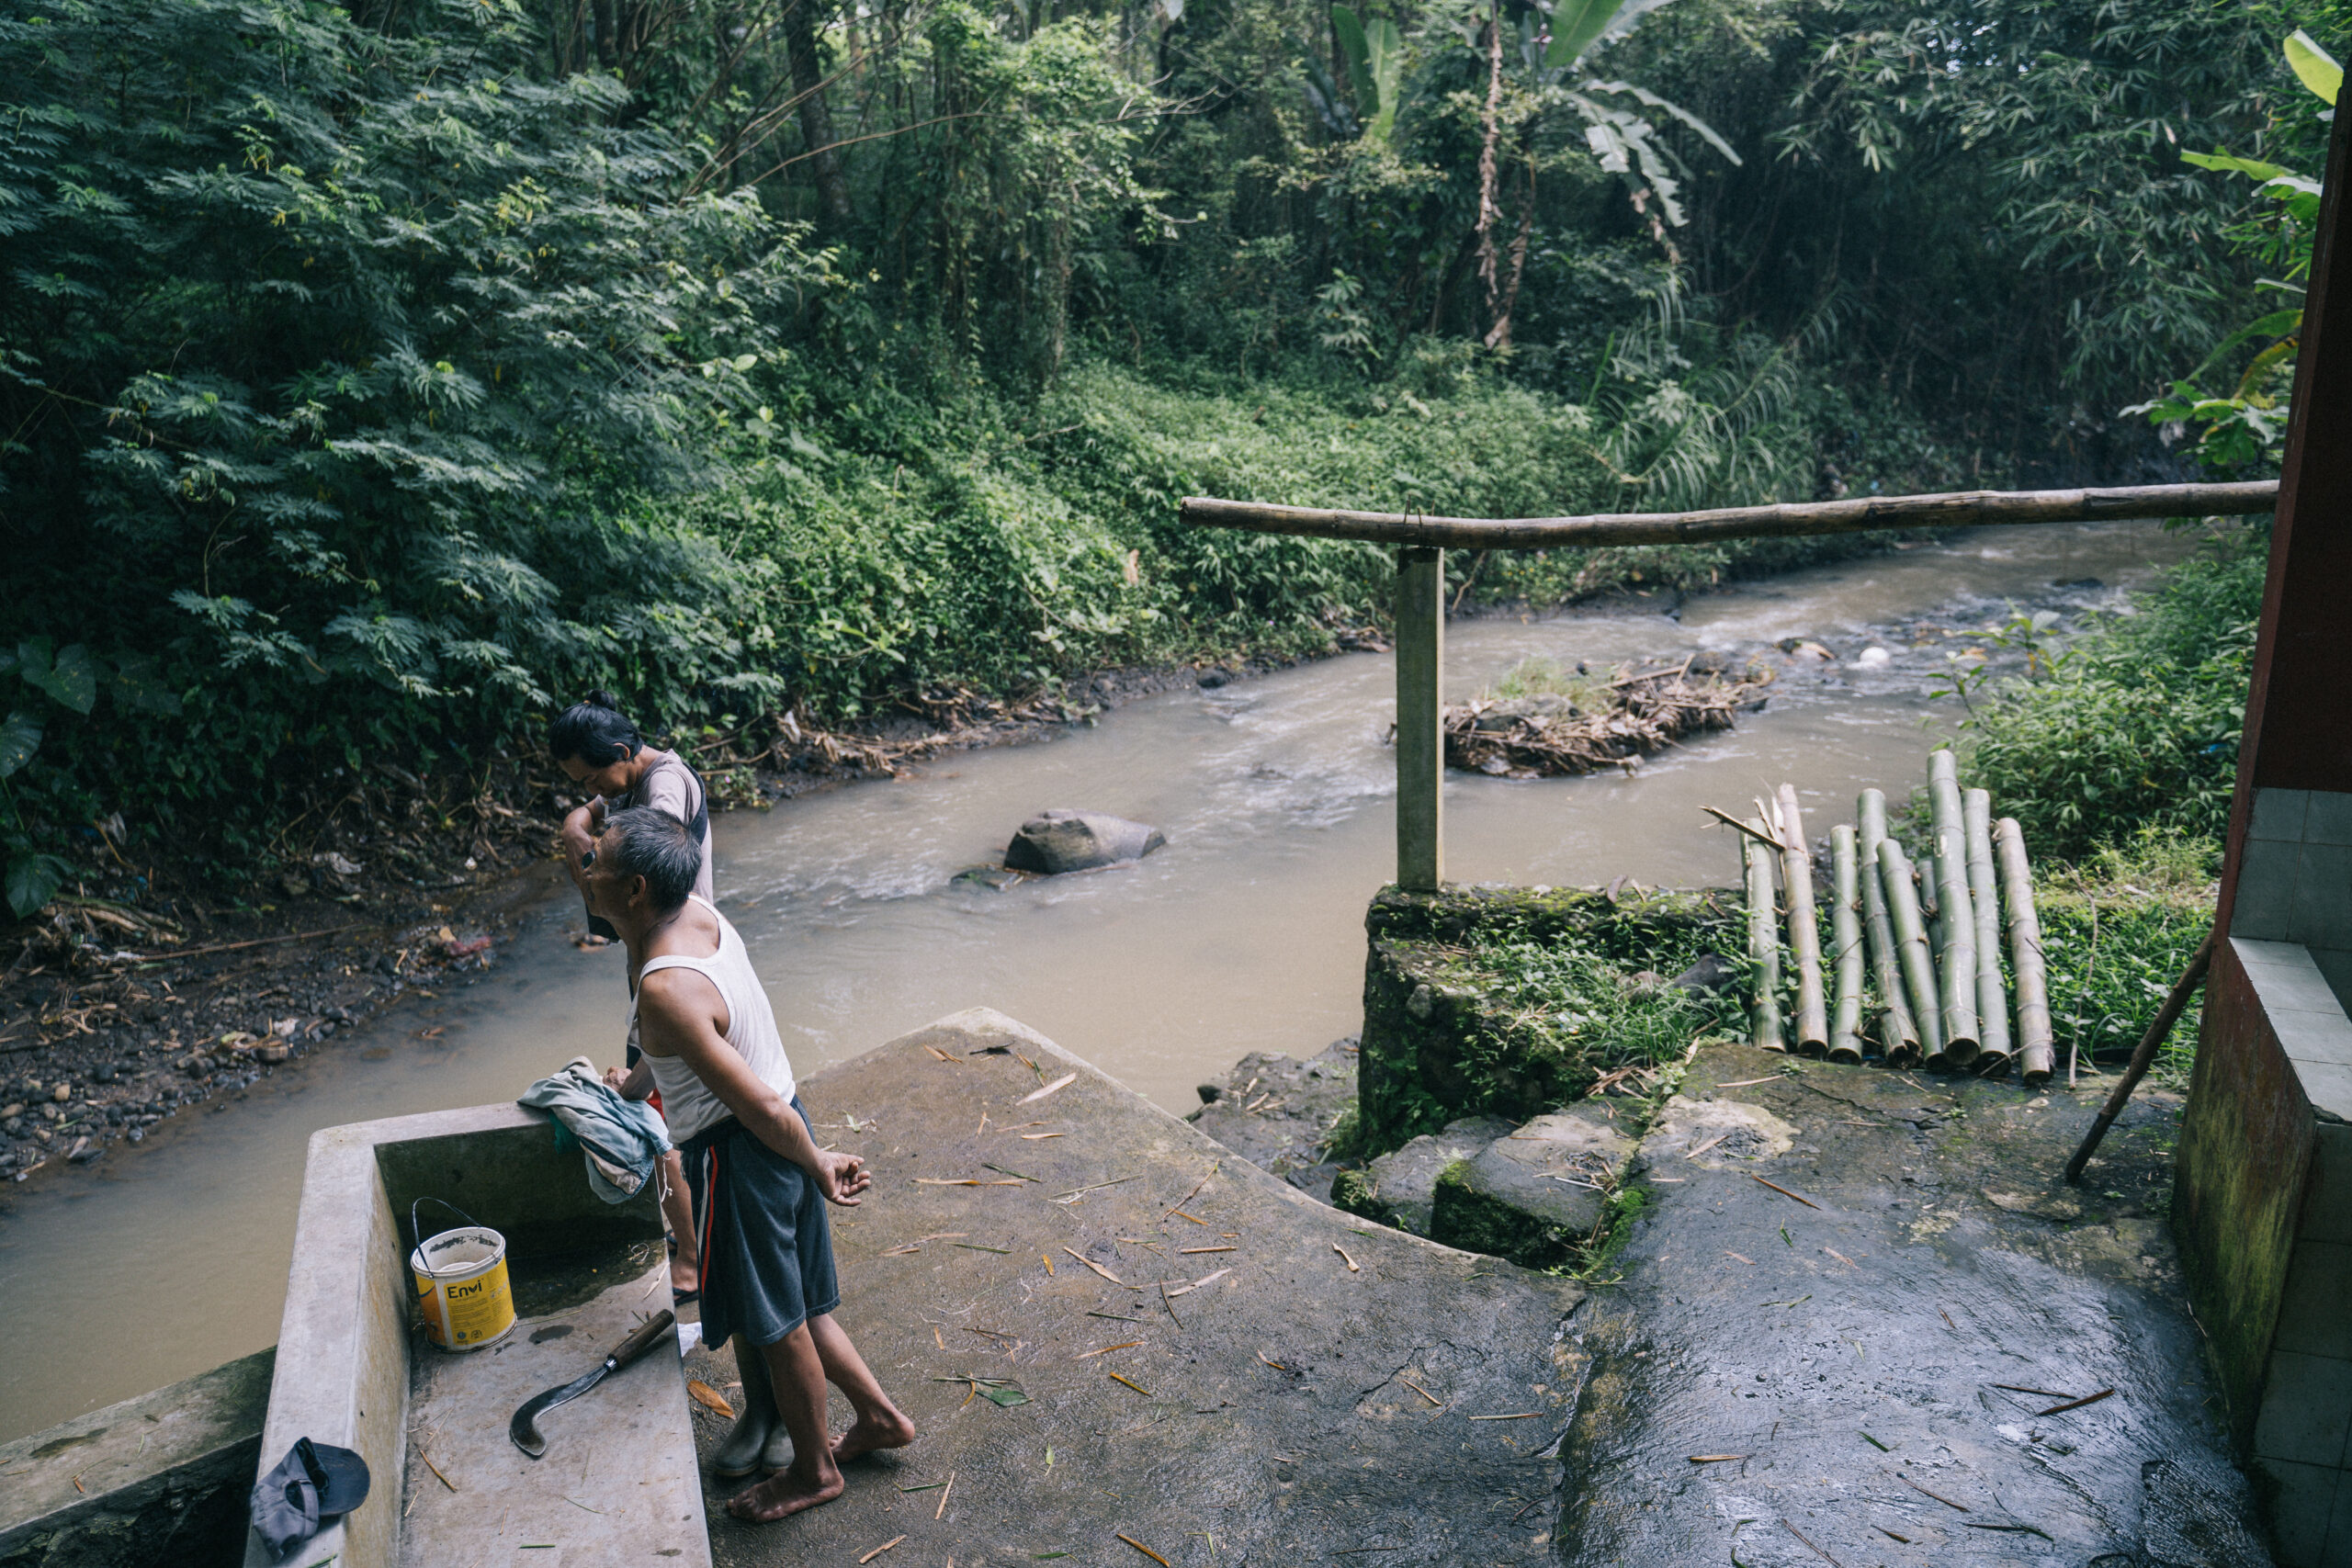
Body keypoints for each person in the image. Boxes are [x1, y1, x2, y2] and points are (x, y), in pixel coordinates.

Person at [582, 806, 916, 1520]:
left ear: (635, 888)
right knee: (802, 1306)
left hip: (749, 1149)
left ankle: (814, 1471)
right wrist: (637, 1086)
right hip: (783, 1124)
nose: (585, 871)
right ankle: (882, 1418)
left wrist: (818, 1162)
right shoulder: (693, 914)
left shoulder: (664, 984)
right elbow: (679, 1044)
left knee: (777, 1324)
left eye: (596, 864)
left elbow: (756, 1104)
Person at [549, 691, 709, 1300]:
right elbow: (602, 811)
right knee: (660, 1114)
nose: (594, 793)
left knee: (658, 1125)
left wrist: (583, 843)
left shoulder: (666, 789)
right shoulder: (628, 783)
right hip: (657, 965)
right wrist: (579, 818)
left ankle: (691, 1260)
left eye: (592, 779)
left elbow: (648, 852)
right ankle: (688, 1239)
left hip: (676, 970)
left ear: (621, 752)